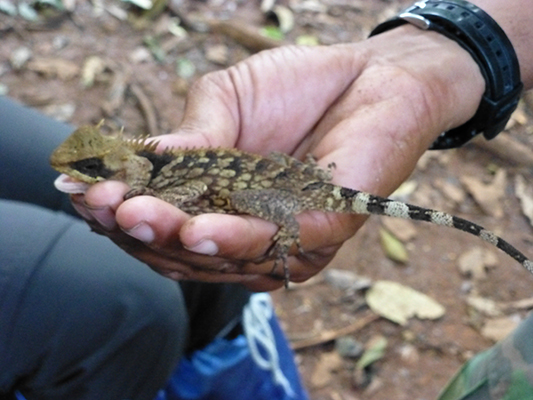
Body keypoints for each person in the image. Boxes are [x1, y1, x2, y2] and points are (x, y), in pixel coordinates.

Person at [1, 0, 532, 398]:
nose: (75, 171)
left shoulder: (156, 182)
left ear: (118, 166)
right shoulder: (143, 180)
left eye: (91, 167)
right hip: (283, 174)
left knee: (209, 261)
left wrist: (437, 60)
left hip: (288, 185)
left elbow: (201, 189)